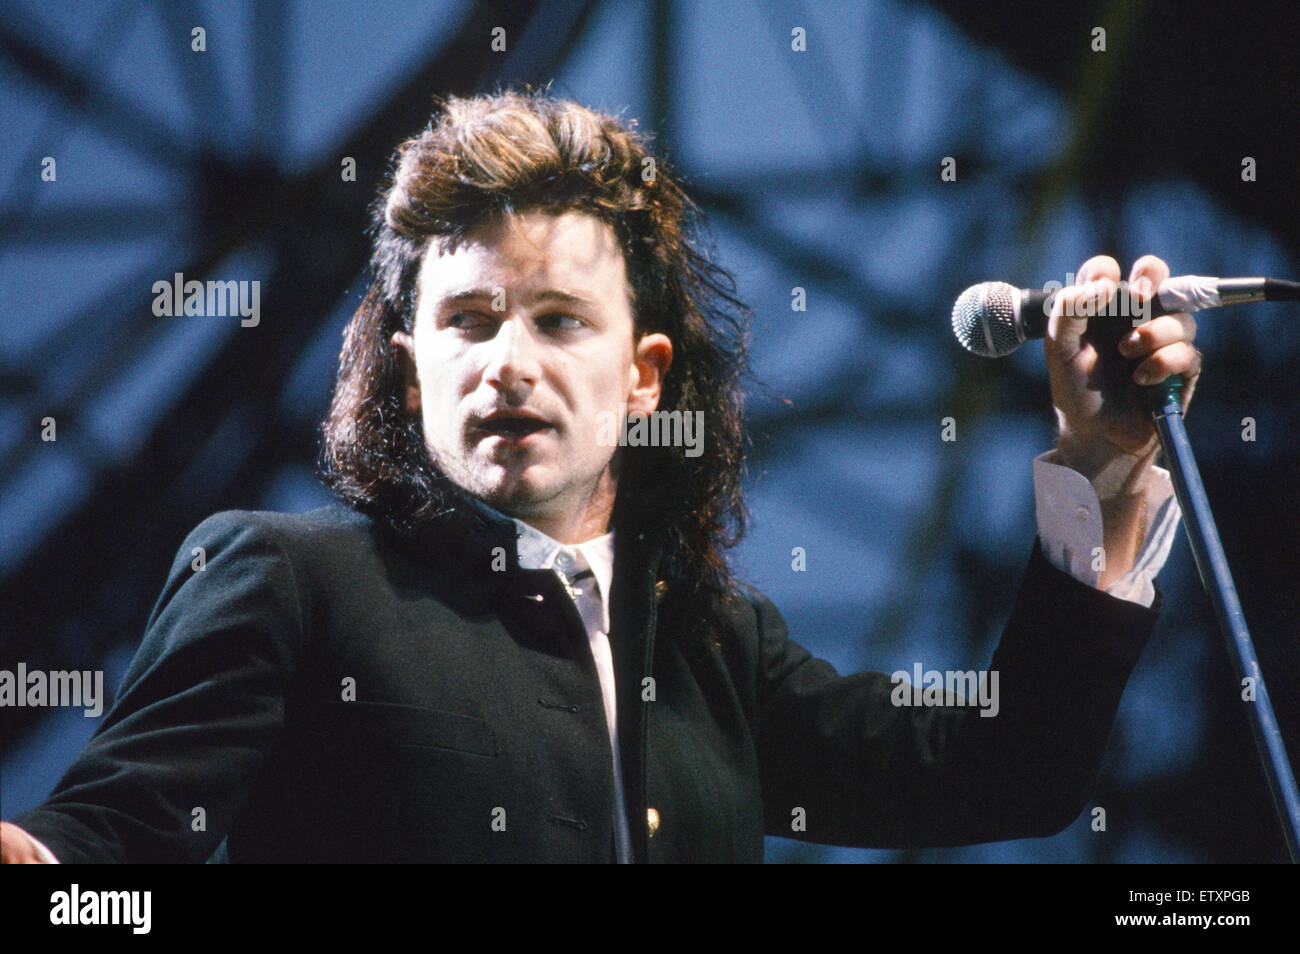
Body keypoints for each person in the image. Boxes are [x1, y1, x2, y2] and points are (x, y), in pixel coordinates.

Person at [2, 89, 1200, 863]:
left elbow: (1003, 774)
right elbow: (107, 853)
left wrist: (1097, 469)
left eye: (558, 321)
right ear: (411, 369)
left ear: (643, 375)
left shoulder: (714, 647)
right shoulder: (286, 578)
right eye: (467, 323)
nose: (505, 363)